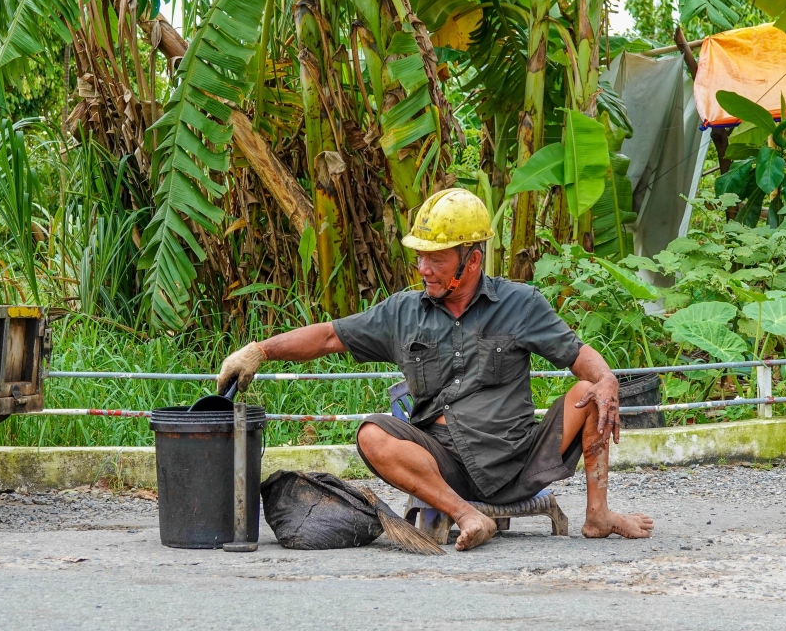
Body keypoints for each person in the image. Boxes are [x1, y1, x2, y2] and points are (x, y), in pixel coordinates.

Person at [218, 188, 653, 551]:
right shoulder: (403, 312)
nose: (424, 268)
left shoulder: (522, 304)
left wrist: (607, 378)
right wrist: (259, 351)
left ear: (473, 260)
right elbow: (330, 335)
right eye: (421, 257)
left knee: (591, 388)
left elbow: (581, 355)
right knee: (371, 433)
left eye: (437, 258)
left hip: (520, 458)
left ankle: (598, 516)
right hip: (445, 461)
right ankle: (467, 515)